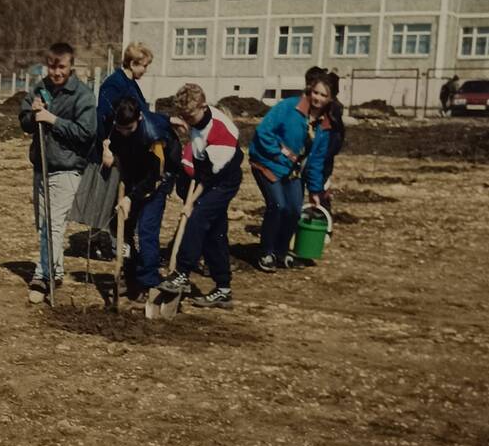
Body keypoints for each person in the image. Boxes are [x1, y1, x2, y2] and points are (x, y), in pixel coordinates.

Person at [18, 42, 97, 304]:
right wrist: (33, 114)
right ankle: (57, 269)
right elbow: (25, 122)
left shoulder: (82, 95)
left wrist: (52, 119)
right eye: (52, 66)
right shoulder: (40, 89)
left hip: (66, 169)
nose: (56, 72)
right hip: (42, 166)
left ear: (71, 66)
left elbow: (87, 133)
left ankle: (44, 276)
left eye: (61, 67)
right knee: (44, 224)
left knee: (52, 226)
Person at [156, 84, 243, 309]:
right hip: (208, 174)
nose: (187, 120)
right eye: (184, 116)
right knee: (215, 233)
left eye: (190, 115)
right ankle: (223, 289)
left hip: (224, 180)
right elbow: (197, 160)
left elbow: (208, 178)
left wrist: (191, 203)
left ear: (204, 106)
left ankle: (182, 273)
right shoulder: (195, 120)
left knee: (197, 219)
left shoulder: (222, 131)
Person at [68, 42, 155, 259]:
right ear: (133, 63)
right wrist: (106, 148)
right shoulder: (113, 84)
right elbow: (103, 118)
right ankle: (112, 245)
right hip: (112, 152)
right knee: (108, 198)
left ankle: (106, 242)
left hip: (127, 149)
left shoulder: (131, 83)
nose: (145, 70)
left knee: (112, 198)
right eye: (144, 65)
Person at [247, 72, 337, 272]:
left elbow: (316, 161)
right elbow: (264, 132)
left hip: (293, 171)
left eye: (323, 95)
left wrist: (315, 191)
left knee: (294, 210)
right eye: (315, 92)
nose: (317, 98)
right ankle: (266, 252)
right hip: (267, 163)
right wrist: (280, 156)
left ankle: (281, 251)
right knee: (277, 205)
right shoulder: (288, 107)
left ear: (329, 99)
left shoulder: (324, 125)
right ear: (309, 90)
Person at [105, 97, 181, 301]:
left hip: (160, 176)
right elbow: (116, 144)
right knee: (123, 226)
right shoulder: (119, 126)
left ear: (139, 118)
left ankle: (150, 281)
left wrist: (131, 198)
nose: (123, 132)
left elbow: (154, 176)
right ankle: (130, 276)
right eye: (120, 128)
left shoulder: (154, 136)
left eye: (128, 128)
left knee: (146, 227)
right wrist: (110, 153)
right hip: (134, 171)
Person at [305, 66, 344, 212]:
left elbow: (335, 135)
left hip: (324, 153)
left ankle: (321, 218)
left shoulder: (331, 109)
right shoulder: (331, 106)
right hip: (322, 153)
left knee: (320, 188)